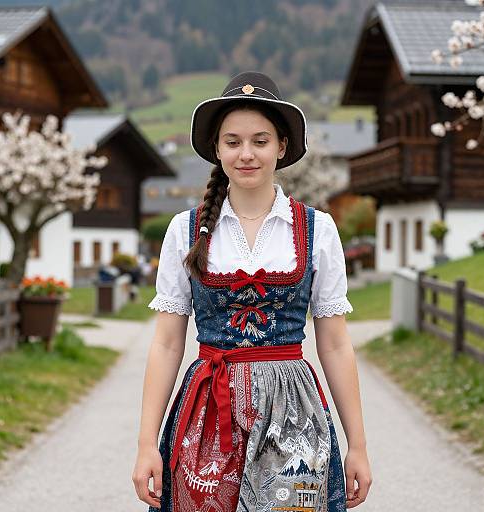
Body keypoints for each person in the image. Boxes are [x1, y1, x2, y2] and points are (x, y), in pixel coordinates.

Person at [132, 71, 372, 511]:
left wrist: (358, 444)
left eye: (260, 141)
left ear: (281, 147)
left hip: (294, 414)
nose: (246, 154)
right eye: (233, 141)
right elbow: (167, 343)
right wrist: (147, 444)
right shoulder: (185, 231)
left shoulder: (318, 230)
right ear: (217, 149)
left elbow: (336, 345)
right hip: (207, 412)